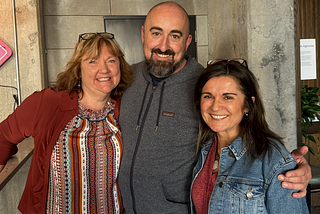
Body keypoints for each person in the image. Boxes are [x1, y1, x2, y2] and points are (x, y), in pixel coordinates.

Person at [118, 2, 311, 214]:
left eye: (175, 36)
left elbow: (245, 129)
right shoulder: (124, 78)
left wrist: (287, 167)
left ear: (187, 41)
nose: (163, 46)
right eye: (156, 33)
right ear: (143, 33)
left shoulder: (202, 80)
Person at [0, 32, 132, 213]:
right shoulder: (48, 103)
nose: (104, 69)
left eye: (111, 60)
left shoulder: (127, 107)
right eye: (93, 61)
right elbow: (3, 136)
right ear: (78, 69)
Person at [191, 59, 309, 213]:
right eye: (208, 96)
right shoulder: (202, 149)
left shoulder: (272, 160)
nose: (215, 106)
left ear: (248, 105)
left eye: (228, 97)